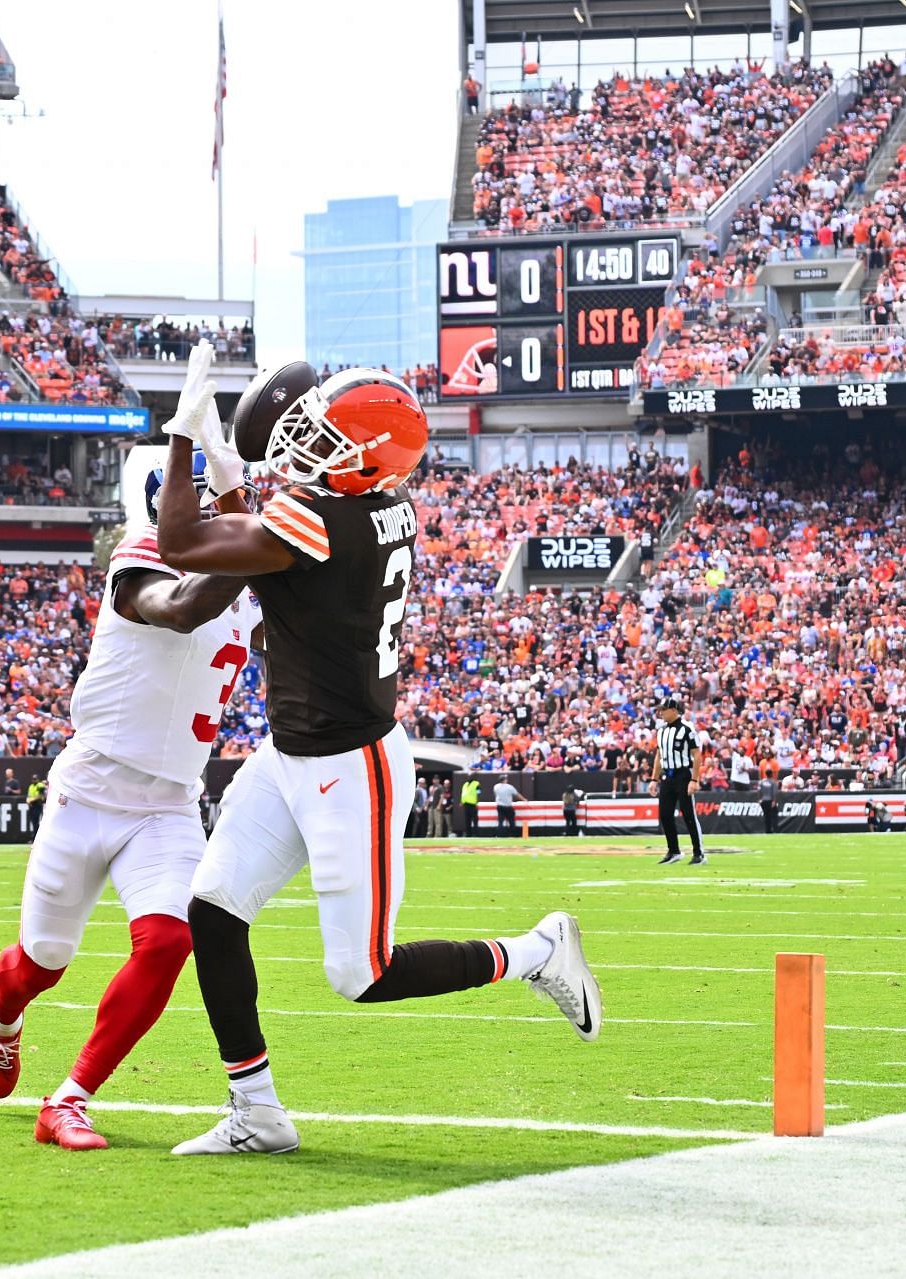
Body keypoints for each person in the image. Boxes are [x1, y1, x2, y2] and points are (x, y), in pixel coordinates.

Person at [156, 348, 599, 1157]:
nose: (305, 452)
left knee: (361, 972)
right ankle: (256, 1109)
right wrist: (231, 472)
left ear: (363, 463)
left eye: (327, 443)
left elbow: (184, 543)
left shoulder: (325, 520)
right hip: (291, 753)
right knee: (214, 913)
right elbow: (266, 555)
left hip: (348, 765)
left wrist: (185, 441)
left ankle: (536, 950)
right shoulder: (368, 506)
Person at [0, 446, 258, 1151]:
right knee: (41, 960)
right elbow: (183, 608)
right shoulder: (141, 559)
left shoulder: (245, 581)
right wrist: (253, 544)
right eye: (183, 494)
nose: (193, 505)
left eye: (203, 494)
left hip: (167, 802)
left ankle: (68, 1097)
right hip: (90, 790)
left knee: (169, 940)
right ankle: (4, 1012)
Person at [652, 699, 706, 865]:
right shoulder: (661, 731)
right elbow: (659, 756)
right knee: (665, 814)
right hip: (668, 777)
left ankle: (699, 853)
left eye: (664, 710)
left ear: (674, 710)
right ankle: (674, 851)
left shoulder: (686, 728)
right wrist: (654, 779)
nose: (661, 713)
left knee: (689, 815)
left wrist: (694, 779)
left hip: (683, 774)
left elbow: (697, 754)